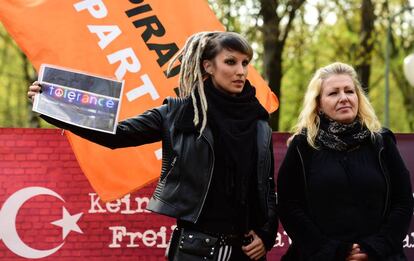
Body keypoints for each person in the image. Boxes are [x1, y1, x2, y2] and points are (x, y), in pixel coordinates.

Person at [28, 31, 278, 261]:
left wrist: (266, 235)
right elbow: (117, 134)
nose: (241, 71)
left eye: (245, 63)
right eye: (231, 62)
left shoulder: (258, 119)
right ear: (208, 66)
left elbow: (266, 186)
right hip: (195, 250)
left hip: (247, 251)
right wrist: (55, 107)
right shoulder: (179, 113)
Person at [277, 62, 413, 261]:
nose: (344, 98)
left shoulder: (381, 141)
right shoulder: (302, 146)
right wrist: (333, 251)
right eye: (333, 93)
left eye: (349, 91)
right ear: (319, 104)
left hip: (379, 256)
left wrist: (374, 248)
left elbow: (402, 202)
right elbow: (290, 206)